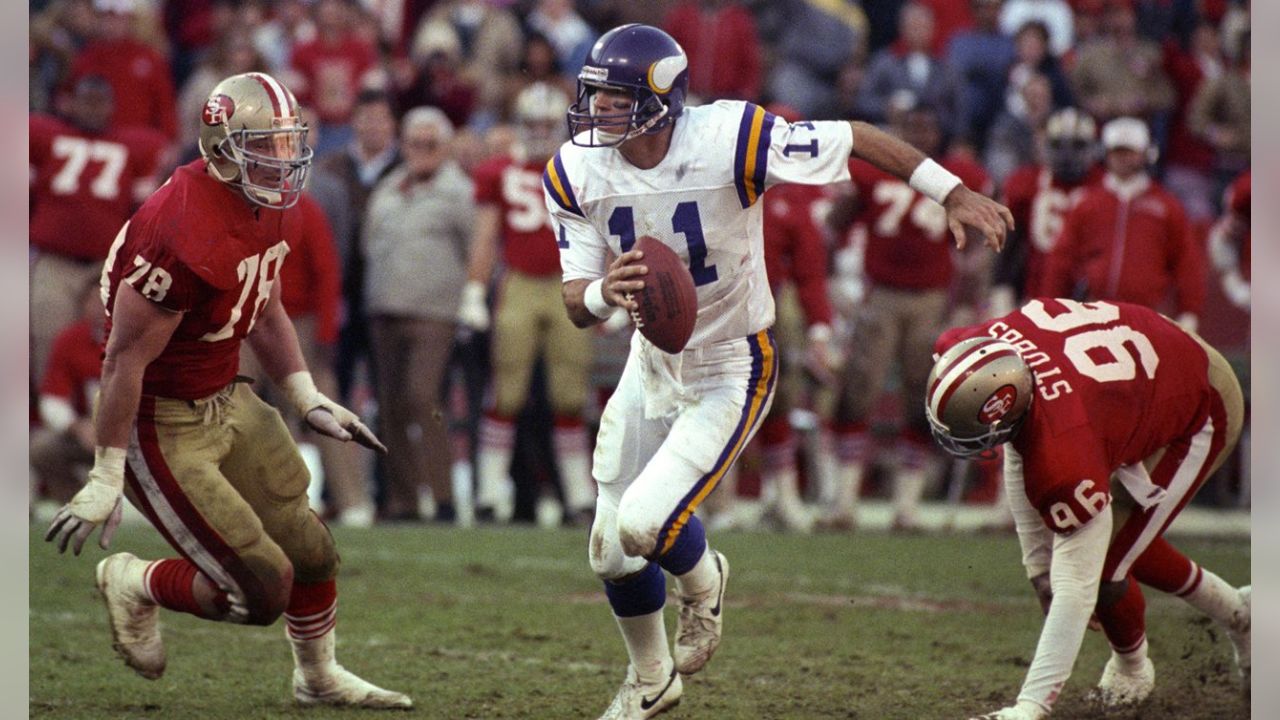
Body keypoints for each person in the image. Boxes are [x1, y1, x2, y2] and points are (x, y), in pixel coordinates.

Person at [545, 24, 1012, 718]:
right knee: (610, 550)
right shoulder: (575, 169)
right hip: (653, 361)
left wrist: (949, 193)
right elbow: (574, 299)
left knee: (645, 524)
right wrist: (601, 293)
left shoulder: (729, 137)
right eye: (595, 96)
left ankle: (705, 583)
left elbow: (854, 136)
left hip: (732, 361)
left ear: (660, 99)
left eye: (614, 98)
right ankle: (651, 680)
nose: (598, 112)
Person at [43, 72, 410, 709]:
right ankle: (135, 580)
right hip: (162, 422)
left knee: (313, 549)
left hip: (229, 395)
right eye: (266, 144)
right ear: (222, 146)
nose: (284, 158)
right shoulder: (179, 229)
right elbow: (122, 362)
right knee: (262, 589)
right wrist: (107, 470)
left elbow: (262, 304)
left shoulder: (263, 198)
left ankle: (316, 675)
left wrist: (304, 394)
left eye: (288, 141)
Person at [926, 298, 1250, 719]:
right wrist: (1038, 566)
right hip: (1143, 361)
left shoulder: (1064, 453)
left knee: (1106, 570)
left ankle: (1132, 669)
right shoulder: (975, 349)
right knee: (1129, 542)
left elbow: (1076, 588)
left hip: (1200, 401)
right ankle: (1243, 615)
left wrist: (1030, 707)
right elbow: (1020, 442)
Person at [823, 102, 992, 532]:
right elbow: (833, 225)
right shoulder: (871, 171)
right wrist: (831, 282)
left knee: (924, 400)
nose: (919, 135)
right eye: (911, 127)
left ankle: (907, 508)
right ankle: (844, 503)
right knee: (859, 392)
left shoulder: (962, 177)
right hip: (880, 295)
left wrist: (971, 293)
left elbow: (977, 249)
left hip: (931, 300)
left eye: (927, 126)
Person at [460, 83, 595, 525]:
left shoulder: (582, 168)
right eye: (532, 123)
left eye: (546, 124)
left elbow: (604, 233)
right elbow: (485, 235)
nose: (539, 132)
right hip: (518, 283)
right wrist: (475, 290)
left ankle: (578, 495)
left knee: (569, 395)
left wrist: (605, 288)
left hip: (568, 282)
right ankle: (489, 493)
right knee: (507, 392)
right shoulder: (499, 170)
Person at [363, 106, 475, 522]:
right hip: (385, 308)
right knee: (389, 405)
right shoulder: (389, 187)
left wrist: (465, 300)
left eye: (431, 144)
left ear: (445, 148)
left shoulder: (459, 192)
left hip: (434, 312)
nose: (422, 151)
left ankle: (443, 497)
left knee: (424, 399)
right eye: (415, 143)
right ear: (403, 145)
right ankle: (404, 499)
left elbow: (474, 248)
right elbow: (368, 243)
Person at [29, 74, 169, 385]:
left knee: (107, 346)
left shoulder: (133, 146)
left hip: (105, 267)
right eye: (86, 101)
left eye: (100, 102)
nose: (92, 109)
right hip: (56, 263)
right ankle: (52, 413)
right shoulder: (45, 136)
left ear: (112, 107)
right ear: (71, 102)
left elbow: (148, 212)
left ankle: (101, 420)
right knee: (46, 339)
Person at [1041, 116, 1204, 331]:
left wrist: (1189, 311)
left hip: (1148, 315)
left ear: (1146, 154)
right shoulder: (1088, 203)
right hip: (1091, 313)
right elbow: (1062, 259)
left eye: (1129, 152)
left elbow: (1186, 262)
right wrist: (1049, 307)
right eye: (1117, 152)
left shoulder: (1166, 206)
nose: (1122, 158)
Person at [991, 107, 1101, 314]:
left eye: (1077, 145)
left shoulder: (1105, 187)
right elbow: (1010, 243)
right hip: (1036, 294)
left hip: (1089, 301)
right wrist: (1002, 287)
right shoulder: (1026, 182)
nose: (1067, 155)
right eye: (1058, 145)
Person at [31, 278, 105, 505]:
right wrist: (78, 427)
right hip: (89, 433)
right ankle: (80, 505)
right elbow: (53, 398)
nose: (101, 305)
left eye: (107, 297)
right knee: (41, 448)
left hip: (136, 436)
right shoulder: (70, 340)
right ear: (83, 304)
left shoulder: (142, 338)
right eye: (94, 299)